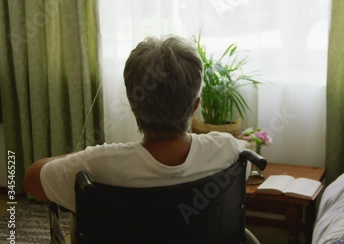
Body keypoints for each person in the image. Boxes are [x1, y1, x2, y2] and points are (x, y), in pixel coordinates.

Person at [24, 35, 244, 212]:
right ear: (195, 105)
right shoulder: (227, 148)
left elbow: (32, 179)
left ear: (132, 102)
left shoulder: (97, 164)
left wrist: (78, 157)